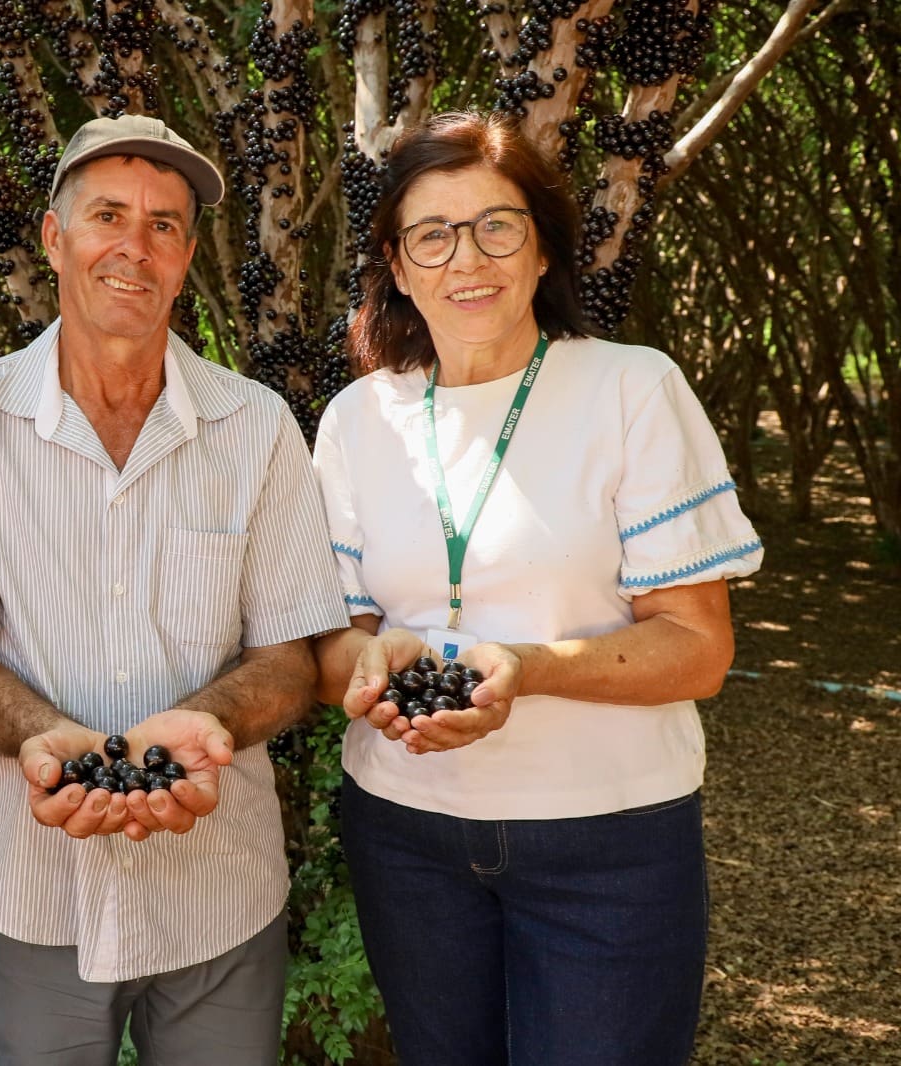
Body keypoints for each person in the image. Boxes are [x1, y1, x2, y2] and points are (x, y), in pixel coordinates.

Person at [311, 110, 765, 1065]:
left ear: (542, 244)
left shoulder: (631, 391)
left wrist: (522, 667)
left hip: (608, 844)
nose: (465, 259)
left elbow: (698, 646)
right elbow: (334, 640)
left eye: (497, 225)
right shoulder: (359, 419)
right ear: (396, 264)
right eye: (431, 234)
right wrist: (371, 660)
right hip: (406, 832)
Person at [0, 114, 348, 1065]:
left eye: (163, 225)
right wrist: (42, 739)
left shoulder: (257, 425)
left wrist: (203, 728)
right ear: (52, 237)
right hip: (38, 887)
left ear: (187, 256)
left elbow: (289, 658)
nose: (133, 246)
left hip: (219, 889)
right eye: (107, 214)